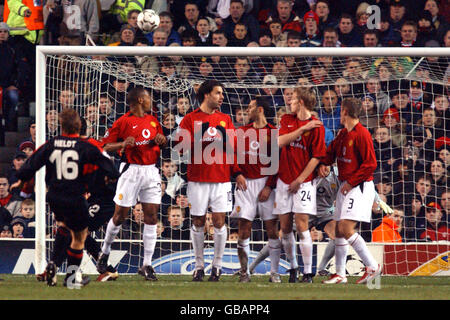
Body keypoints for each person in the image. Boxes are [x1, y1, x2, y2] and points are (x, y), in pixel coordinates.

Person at [15, 108, 120, 287]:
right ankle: (72, 278)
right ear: (79, 127)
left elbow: (28, 166)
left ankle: (53, 265)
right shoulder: (87, 146)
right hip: (76, 196)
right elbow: (111, 169)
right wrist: (103, 178)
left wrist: (21, 182)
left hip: (55, 197)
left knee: (64, 228)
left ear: (61, 126)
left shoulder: (51, 144)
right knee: (79, 236)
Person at [175, 79, 246, 282]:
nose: (222, 96)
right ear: (206, 95)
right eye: (218, 93)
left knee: (219, 222)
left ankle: (217, 266)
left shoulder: (225, 119)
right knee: (197, 221)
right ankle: (199, 267)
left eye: (222, 93)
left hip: (221, 179)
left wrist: (237, 172)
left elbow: (233, 150)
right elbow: (180, 149)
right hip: (197, 179)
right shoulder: (189, 119)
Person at [97, 87, 167, 282]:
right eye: (148, 97)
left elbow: (162, 141)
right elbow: (105, 146)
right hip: (130, 170)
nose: (151, 99)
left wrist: (162, 140)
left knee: (152, 216)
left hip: (151, 170)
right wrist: (121, 145)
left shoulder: (153, 120)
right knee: (120, 216)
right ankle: (104, 253)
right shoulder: (123, 121)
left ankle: (146, 264)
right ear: (139, 100)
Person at [319, 97, 381, 285]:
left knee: (345, 228)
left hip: (359, 186)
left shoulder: (361, 134)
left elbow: (371, 164)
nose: (339, 113)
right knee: (338, 230)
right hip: (346, 185)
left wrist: (351, 182)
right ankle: (340, 274)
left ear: (345, 112)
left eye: (340, 111)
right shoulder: (342, 134)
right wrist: (323, 163)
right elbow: (330, 153)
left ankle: (372, 266)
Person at [274, 87, 326, 283]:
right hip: (283, 181)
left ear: (302, 102)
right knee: (285, 227)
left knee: (303, 225)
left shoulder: (318, 127)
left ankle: (307, 272)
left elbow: (316, 157)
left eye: (294, 99)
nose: (290, 102)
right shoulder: (288, 120)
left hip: (303, 183)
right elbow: (280, 141)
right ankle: (293, 267)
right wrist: (303, 129)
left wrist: (299, 179)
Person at [229, 96, 279, 283]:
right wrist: (237, 174)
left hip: (267, 184)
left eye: (250, 107)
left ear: (260, 110)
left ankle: (274, 273)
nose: (246, 110)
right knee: (244, 229)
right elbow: (232, 156)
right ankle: (244, 273)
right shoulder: (241, 131)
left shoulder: (273, 132)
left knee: (272, 230)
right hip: (245, 184)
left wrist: (269, 185)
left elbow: (277, 163)